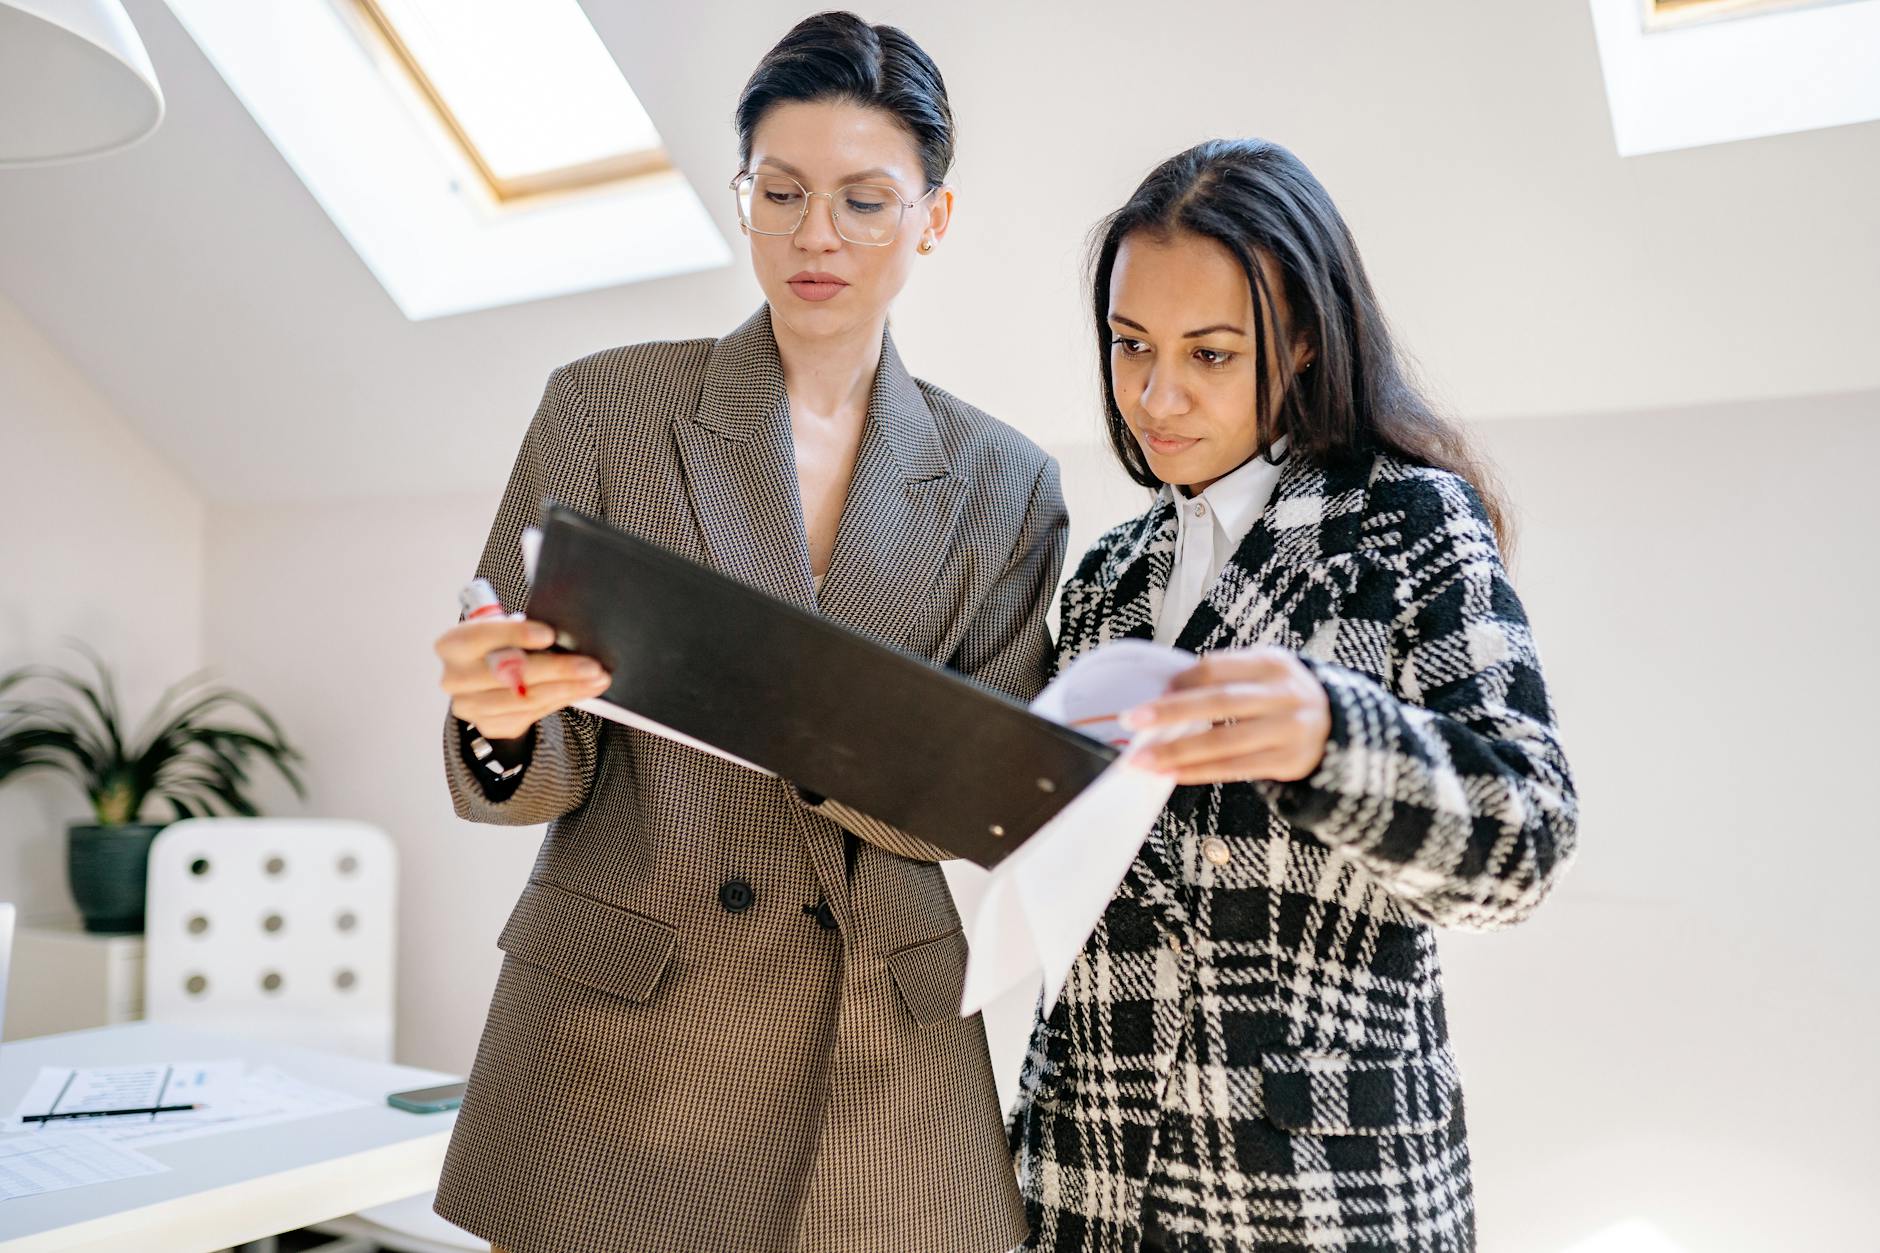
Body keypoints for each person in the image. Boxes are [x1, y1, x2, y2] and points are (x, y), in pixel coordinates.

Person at [429, 14, 1064, 1252]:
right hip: (625, 1027)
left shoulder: (1005, 482)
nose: (813, 236)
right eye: (778, 192)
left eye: (862, 201)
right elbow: (534, 753)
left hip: (877, 1045)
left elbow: (974, 790)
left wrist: (783, 702)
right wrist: (496, 718)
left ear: (932, 217)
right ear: (742, 197)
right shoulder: (607, 405)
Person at [1010, 139, 1578, 1252]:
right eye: (1130, 346)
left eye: (1210, 355)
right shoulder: (1105, 580)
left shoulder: (1408, 523)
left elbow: (1526, 837)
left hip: (1320, 1193)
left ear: (1305, 337)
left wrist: (1331, 737)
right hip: (1090, 1179)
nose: (1153, 396)